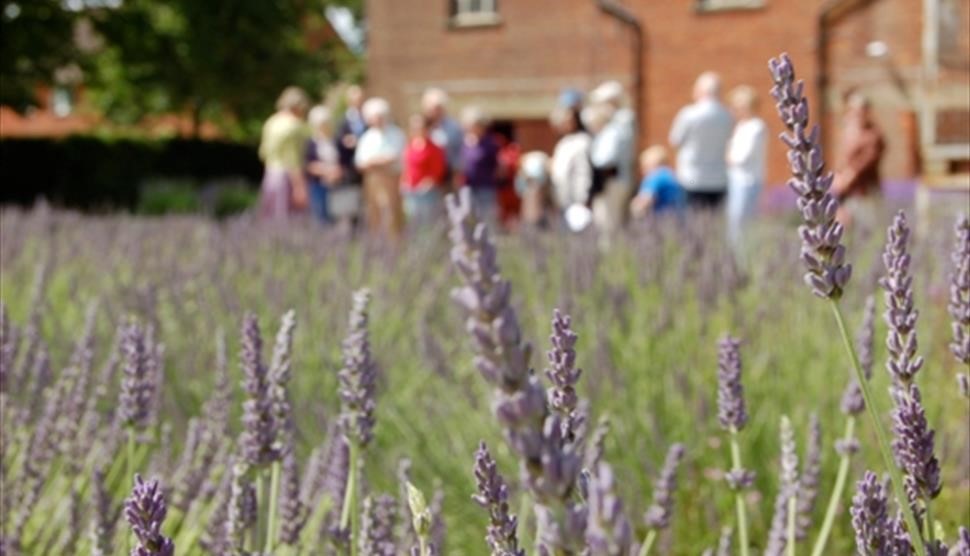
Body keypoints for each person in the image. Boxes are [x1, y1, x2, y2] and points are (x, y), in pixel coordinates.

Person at [668, 72, 734, 209]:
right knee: (713, 223)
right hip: (718, 178)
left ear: (700, 91)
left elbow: (675, 140)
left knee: (692, 224)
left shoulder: (689, 114)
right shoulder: (727, 116)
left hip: (692, 178)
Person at [588, 81, 635, 239]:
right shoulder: (623, 122)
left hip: (611, 182)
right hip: (619, 180)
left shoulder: (617, 125)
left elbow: (604, 158)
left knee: (607, 228)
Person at [355, 98, 406, 240]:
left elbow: (395, 156)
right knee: (374, 214)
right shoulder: (367, 137)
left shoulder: (396, 134)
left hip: (391, 179)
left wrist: (375, 162)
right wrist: (376, 162)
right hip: (372, 181)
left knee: (391, 214)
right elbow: (360, 162)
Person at [833, 92, 885, 226]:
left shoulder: (873, 134)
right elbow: (841, 160)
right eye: (853, 110)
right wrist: (838, 176)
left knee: (868, 231)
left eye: (861, 110)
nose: (857, 114)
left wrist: (850, 174)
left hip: (865, 192)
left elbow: (868, 159)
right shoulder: (847, 132)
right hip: (847, 193)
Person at [258, 87, 310, 220]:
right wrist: (300, 188)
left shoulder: (271, 122)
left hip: (270, 175)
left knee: (270, 218)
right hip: (287, 178)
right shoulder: (294, 126)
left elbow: (263, 153)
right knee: (288, 220)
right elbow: (293, 160)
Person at [725, 85, 767, 250]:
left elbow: (741, 157)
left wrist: (729, 156)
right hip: (736, 180)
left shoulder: (756, 126)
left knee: (742, 225)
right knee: (734, 225)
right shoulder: (740, 126)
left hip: (748, 182)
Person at [401, 114, 447, 226]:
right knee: (413, 222)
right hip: (410, 190)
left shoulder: (434, 148)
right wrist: (404, 182)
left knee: (427, 223)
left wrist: (426, 184)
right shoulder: (410, 146)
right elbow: (406, 166)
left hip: (427, 192)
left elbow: (437, 170)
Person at [333, 85, 367, 228]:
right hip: (350, 167)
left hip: (366, 166)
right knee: (351, 201)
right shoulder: (343, 120)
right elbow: (338, 142)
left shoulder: (367, 117)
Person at [549, 106, 593, 212]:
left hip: (577, 198)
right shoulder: (563, 143)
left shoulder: (582, 141)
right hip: (562, 197)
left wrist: (582, 198)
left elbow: (583, 171)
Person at [459, 106, 499, 220]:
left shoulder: (490, 143)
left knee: (487, 218)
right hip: (468, 187)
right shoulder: (464, 143)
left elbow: (498, 166)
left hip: (486, 187)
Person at [305, 105, 342, 225]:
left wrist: (337, 172)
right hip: (318, 184)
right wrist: (326, 171)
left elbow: (343, 161)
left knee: (337, 215)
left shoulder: (335, 141)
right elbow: (308, 164)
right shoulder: (311, 143)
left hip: (336, 184)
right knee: (321, 215)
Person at [629, 146, 685, 219]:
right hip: (676, 219)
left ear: (649, 164)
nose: (642, 171)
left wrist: (634, 207)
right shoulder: (672, 175)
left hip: (659, 221)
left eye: (643, 167)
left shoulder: (654, 176)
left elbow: (645, 200)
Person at [422, 88, 464, 182]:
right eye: (430, 107)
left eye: (437, 107)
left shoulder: (453, 127)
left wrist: (456, 173)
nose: (433, 111)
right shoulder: (420, 126)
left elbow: (458, 151)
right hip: (424, 176)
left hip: (446, 175)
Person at [492, 122, 522, 228]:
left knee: (515, 216)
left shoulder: (513, 150)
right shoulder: (495, 151)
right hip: (501, 190)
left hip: (512, 188)